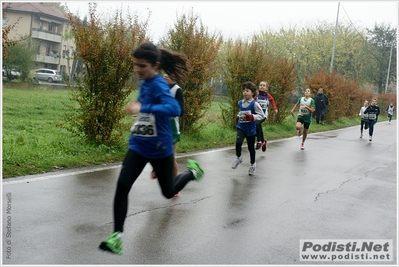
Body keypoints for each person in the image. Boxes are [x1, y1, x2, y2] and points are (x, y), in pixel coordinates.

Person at [99, 42, 204, 255]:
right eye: (136, 65)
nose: (138, 69)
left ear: (155, 65)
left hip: (160, 148)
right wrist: (138, 109)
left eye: (142, 66)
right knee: (122, 186)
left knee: (168, 192)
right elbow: (145, 111)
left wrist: (142, 107)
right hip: (138, 145)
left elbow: (174, 108)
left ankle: (192, 172)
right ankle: (117, 236)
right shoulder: (146, 82)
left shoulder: (157, 84)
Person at [151, 73, 184, 197]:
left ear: (175, 76)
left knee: (171, 158)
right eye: (164, 73)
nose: (165, 75)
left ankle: (175, 185)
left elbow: (181, 111)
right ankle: (157, 167)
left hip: (171, 127)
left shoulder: (177, 90)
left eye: (169, 74)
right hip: (157, 125)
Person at [231, 81, 266, 175]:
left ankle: (253, 165)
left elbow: (262, 115)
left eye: (247, 91)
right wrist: (238, 117)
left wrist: (253, 117)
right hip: (241, 126)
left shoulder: (254, 104)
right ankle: (238, 158)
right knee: (238, 142)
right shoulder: (240, 102)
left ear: (252, 93)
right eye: (244, 90)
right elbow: (242, 111)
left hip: (250, 128)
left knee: (251, 148)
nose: (245, 92)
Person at [255, 81, 278, 152]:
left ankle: (259, 141)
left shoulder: (268, 96)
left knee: (257, 124)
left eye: (264, 85)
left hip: (264, 115)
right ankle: (263, 141)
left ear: (266, 88)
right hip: (256, 114)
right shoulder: (256, 95)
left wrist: (275, 108)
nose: (262, 86)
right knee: (257, 127)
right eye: (260, 85)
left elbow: (272, 100)